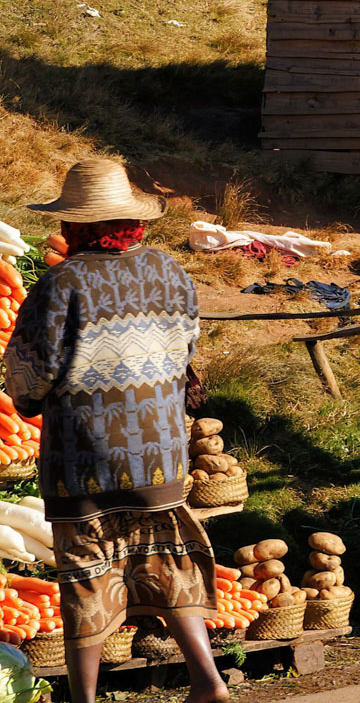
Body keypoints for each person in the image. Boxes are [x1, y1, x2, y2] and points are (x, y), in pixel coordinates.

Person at [4, 160, 226, 703]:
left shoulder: (62, 281)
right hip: (161, 449)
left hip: (85, 455)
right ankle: (207, 680)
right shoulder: (171, 271)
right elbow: (188, 351)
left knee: (87, 572)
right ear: (132, 222)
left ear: (77, 225)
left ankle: (84, 700)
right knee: (166, 559)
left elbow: (29, 372)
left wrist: (29, 400)